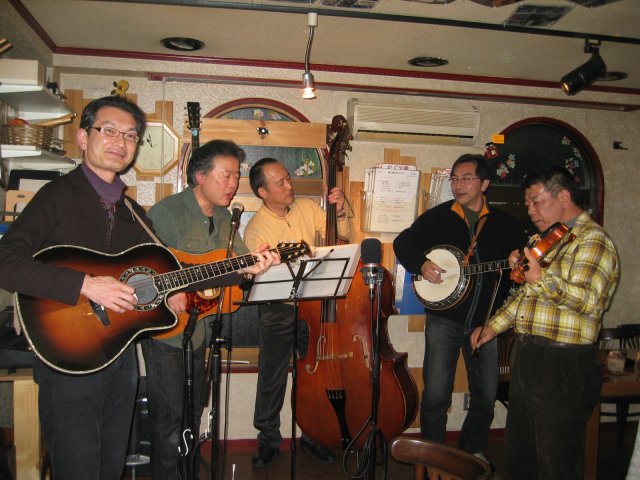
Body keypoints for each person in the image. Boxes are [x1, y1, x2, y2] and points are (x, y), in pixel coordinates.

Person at [0, 96, 160, 479]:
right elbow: (6, 261)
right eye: (109, 130)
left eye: (130, 136)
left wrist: (243, 268)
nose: (121, 142)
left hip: (119, 354)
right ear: (84, 138)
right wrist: (86, 285)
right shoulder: (57, 196)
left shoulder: (133, 214)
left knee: (110, 467)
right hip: (66, 357)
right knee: (78, 469)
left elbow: (170, 271)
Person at [471, 166, 620, 480]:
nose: (530, 210)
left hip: (563, 361)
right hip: (528, 356)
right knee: (520, 456)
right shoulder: (552, 239)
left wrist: (540, 277)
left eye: (536, 201)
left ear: (563, 197)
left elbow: (589, 301)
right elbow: (527, 297)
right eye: (527, 203)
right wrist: (493, 326)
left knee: (557, 462)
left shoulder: (593, 241)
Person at [141, 140, 278, 478]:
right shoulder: (168, 212)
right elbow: (143, 263)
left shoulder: (226, 218)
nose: (233, 184)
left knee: (192, 413)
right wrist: (170, 288)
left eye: (236, 177)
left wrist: (259, 263)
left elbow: (239, 263)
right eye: (225, 175)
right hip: (166, 331)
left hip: (200, 329)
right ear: (200, 176)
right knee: (169, 419)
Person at [393, 154, 527, 465]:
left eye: (466, 178)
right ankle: (432, 455)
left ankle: (471, 450)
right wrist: (421, 264)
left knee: (485, 394)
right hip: (444, 319)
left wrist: (518, 266)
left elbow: (523, 266)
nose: (458, 185)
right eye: (454, 179)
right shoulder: (437, 217)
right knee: (436, 394)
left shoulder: (506, 224)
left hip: (487, 322)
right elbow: (403, 243)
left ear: (485, 183)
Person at [243, 157, 351, 467]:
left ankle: (314, 434)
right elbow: (259, 276)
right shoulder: (256, 228)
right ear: (263, 192)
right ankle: (268, 440)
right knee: (272, 377)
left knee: (313, 376)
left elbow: (342, 236)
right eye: (280, 182)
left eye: (288, 178)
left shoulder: (307, 208)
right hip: (277, 309)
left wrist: (339, 211)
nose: (289, 185)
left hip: (313, 306)